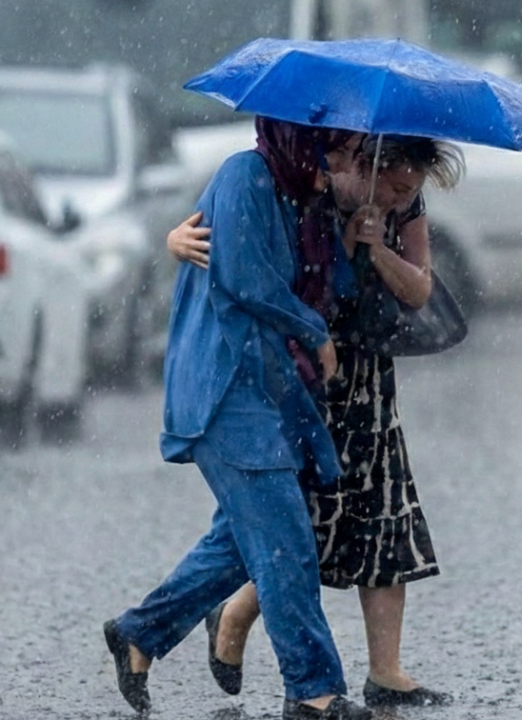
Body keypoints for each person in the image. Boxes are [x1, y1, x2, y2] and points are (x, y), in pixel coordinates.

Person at [167, 134, 465, 708]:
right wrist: (174, 240)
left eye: (413, 190)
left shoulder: (408, 209)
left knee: (384, 514)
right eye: (397, 184)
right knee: (295, 519)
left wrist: (379, 249)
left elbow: (420, 289)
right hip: (303, 372)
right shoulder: (312, 184)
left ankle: (387, 670)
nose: (405, 197)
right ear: (366, 166)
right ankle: (231, 617)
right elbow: (216, 238)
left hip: (368, 376)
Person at [103, 117, 375, 720]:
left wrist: (356, 239)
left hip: (271, 391)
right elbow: (247, 279)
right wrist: (311, 330)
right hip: (225, 387)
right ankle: (312, 689)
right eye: (342, 153)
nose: (345, 166)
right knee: (285, 543)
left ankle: (139, 634)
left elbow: (329, 289)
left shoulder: (302, 197)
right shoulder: (245, 176)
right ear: (306, 142)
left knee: (237, 545)